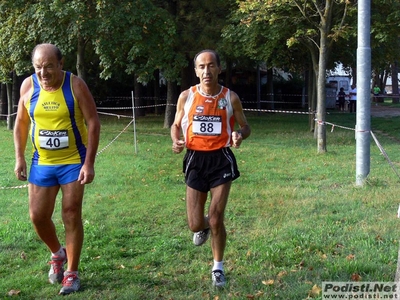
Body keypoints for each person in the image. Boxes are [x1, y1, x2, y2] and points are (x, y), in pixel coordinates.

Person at [13, 43, 100, 295]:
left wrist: (89, 162)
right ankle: (57, 253)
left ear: (61, 64)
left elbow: (93, 122)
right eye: (38, 67)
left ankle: (72, 273)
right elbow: (20, 123)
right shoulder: (28, 86)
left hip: (73, 159)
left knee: (71, 213)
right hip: (42, 161)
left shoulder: (75, 86)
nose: (43, 72)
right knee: (37, 216)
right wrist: (19, 158)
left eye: (49, 66)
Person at [170, 49, 251, 287]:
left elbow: (246, 126)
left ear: (219, 68)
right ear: (196, 71)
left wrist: (238, 134)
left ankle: (218, 267)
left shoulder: (230, 97)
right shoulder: (186, 96)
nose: (207, 71)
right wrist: (175, 140)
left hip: (221, 159)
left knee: (216, 218)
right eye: (202, 67)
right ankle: (203, 226)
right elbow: (176, 125)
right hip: (195, 159)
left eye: (211, 66)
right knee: (196, 223)